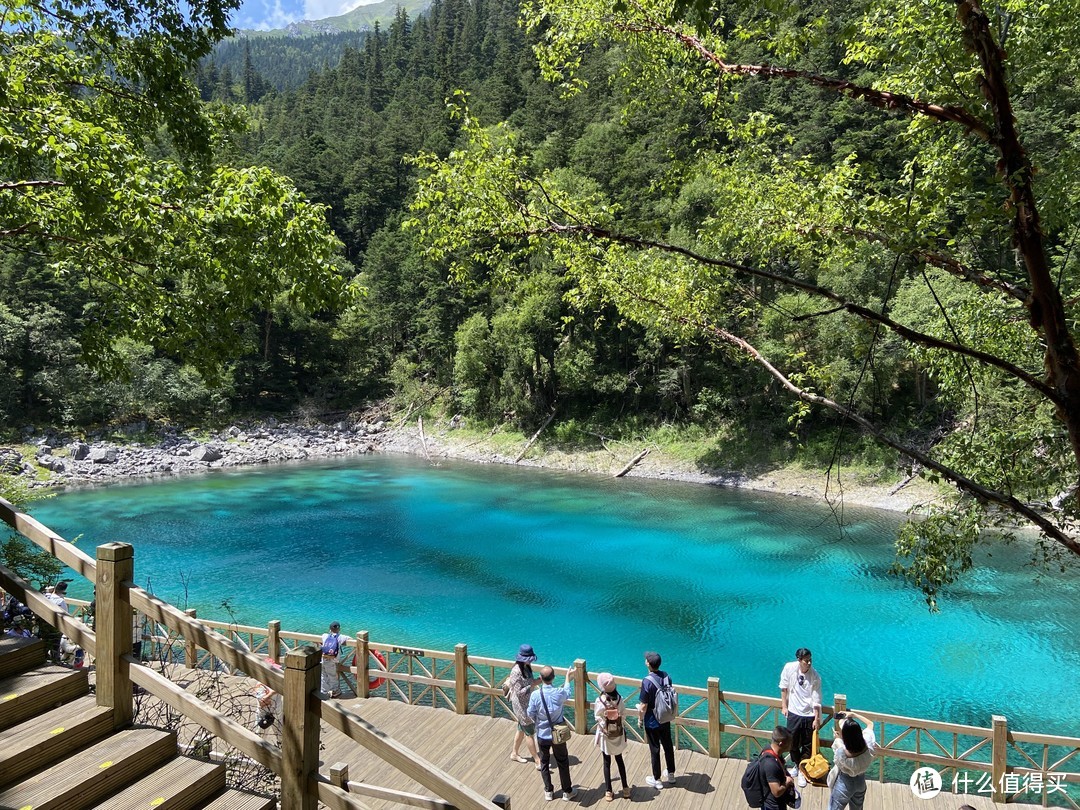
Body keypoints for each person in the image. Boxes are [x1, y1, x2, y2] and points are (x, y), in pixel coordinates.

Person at [527, 664, 577, 802]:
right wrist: (568, 677)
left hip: (542, 734)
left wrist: (539, 721)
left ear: (541, 678)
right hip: (558, 734)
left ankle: (548, 791)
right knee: (562, 761)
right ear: (553, 678)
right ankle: (567, 791)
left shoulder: (535, 695)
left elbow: (530, 713)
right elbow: (567, 692)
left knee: (544, 762)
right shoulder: (558, 693)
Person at [779, 647, 821, 787]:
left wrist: (816, 718)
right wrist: (784, 706)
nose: (809, 664)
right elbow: (784, 688)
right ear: (799, 660)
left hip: (808, 714)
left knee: (808, 745)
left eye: (810, 660)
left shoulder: (815, 676)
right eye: (806, 661)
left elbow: (816, 699)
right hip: (794, 712)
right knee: (792, 743)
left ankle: (804, 771)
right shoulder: (789, 668)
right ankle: (798, 765)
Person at [638, 651, 676, 789]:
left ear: (648, 664)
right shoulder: (666, 676)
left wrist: (640, 719)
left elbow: (643, 706)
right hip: (665, 717)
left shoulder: (647, 681)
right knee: (667, 746)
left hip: (652, 721)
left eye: (646, 660)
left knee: (654, 749)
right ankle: (671, 774)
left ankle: (657, 779)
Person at [828, 711, 877, 810]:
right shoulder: (868, 744)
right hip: (860, 782)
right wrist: (854, 714)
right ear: (860, 732)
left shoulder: (842, 752)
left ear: (845, 737)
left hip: (844, 783)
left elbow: (837, 760)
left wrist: (838, 739)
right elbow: (870, 724)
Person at [594, 672, 631, 801]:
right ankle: (626, 788)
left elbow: (597, 717)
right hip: (618, 734)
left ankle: (609, 791)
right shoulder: (619, 699)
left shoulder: (600, 700)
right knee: (619, 760)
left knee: (606, 762)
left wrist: (604, 724)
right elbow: (624, 714)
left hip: (606, 735)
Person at [506, 643, 542, 768]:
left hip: (528, 702)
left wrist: (535, 681)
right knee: (529, 732)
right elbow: (519, 692)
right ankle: (537, 760)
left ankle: (514, 753)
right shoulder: (516, 671)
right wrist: (532, 684)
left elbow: (528, 682)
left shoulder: (526, 667)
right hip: (521, 705)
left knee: (522, 729)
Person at [761, 725, 799, 809]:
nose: (791, 745)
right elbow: (776, 792)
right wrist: (787, 782)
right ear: (781, 743)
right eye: (790, 742)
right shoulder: (770, 764)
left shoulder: (768, 749)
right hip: (773, 806)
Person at [42, 581, 70, 662]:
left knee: (45, 644)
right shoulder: (61, 601)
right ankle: (56, 661)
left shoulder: (46, 597)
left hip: (45, 625)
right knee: (55, 646)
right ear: (63, 590)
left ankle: (43, 658)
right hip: (56, 627)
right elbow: (66, 616)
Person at [319, 621, 348, 698]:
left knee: (323, 676)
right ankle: (335, 691)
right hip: (332, 661)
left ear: (330, 629)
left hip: (323, 659)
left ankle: (323, 692)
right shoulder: (340, 637)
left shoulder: (325, 635)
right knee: (332, 676)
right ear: (339, 629)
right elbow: (350, 639)